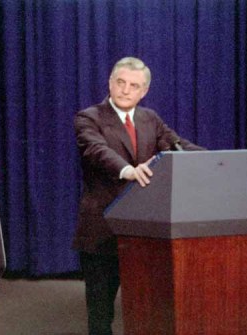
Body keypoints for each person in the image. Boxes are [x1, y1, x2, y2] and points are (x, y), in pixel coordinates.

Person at [73, 57, 204, 335]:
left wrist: (215, 162)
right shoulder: (89, 117)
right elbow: (96, 151)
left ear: (143, 91)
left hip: (144, 231)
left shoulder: (149, 118)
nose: (125, 90)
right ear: (110, 83)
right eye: (120, 83)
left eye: (134, 86)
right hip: (102, 229)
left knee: (147, 307)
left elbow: (177, 145)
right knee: (101, 314)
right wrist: (127, 170)